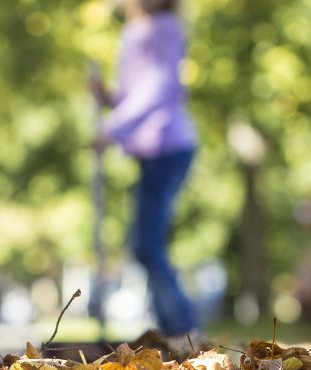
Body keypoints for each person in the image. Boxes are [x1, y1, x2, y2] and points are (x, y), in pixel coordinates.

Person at [92, 0, 199, 336]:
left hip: (168, 146)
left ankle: (184, 329)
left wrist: (112, 128)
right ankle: (171, 329)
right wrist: (108, 99)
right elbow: (137, 93)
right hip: (152, 150)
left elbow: (158, 87)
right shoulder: (136, 30)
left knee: (147, 245)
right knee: (143, 244)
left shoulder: (163, 27)